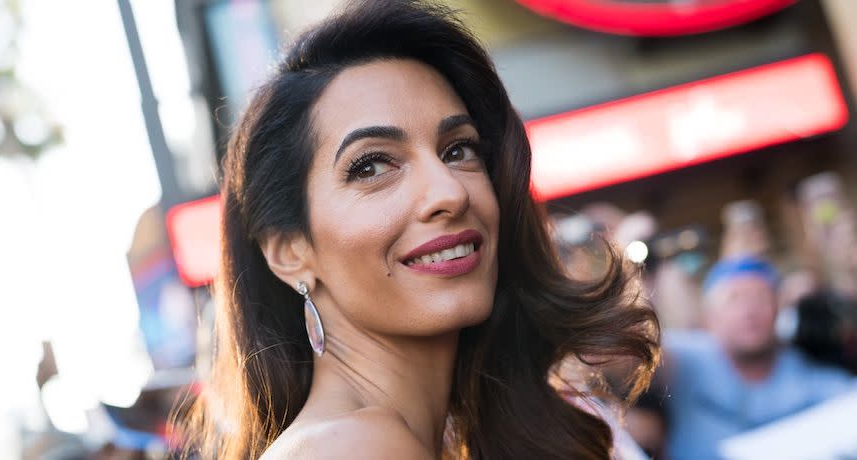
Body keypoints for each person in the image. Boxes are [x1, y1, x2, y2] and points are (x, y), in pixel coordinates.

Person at [181, 1, 659, 458]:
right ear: (289, 250)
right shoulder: (352, 449)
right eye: (370, 166)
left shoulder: (419, 437)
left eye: (458, 150)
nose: (449, 192)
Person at [662, 256, 855, 460]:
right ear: (709, 317)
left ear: (778, 309)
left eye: (760, 297)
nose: (749, 310)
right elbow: (633, 351)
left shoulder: (806, 369)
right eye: (734, 299)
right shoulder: (683, 361)